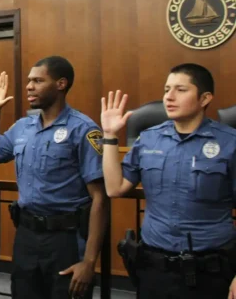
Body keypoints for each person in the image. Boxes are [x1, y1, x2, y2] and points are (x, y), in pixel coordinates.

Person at [100, 63, 236, 298]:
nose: (169, 97)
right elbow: (114, 188)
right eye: (166, 89)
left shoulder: (229, 142)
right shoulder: (150, 139)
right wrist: (110, 136)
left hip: (211, 270)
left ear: (205, 98)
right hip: (155, 268)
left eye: (181, 90)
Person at [0, 56, 108, 299]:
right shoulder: (23, 126)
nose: (29, 86)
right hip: (27, 234)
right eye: (29, 81)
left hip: (66, 239)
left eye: (38, 81)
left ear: (61, 84)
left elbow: (100, 199)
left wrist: (89, 262)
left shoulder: (83, 129)